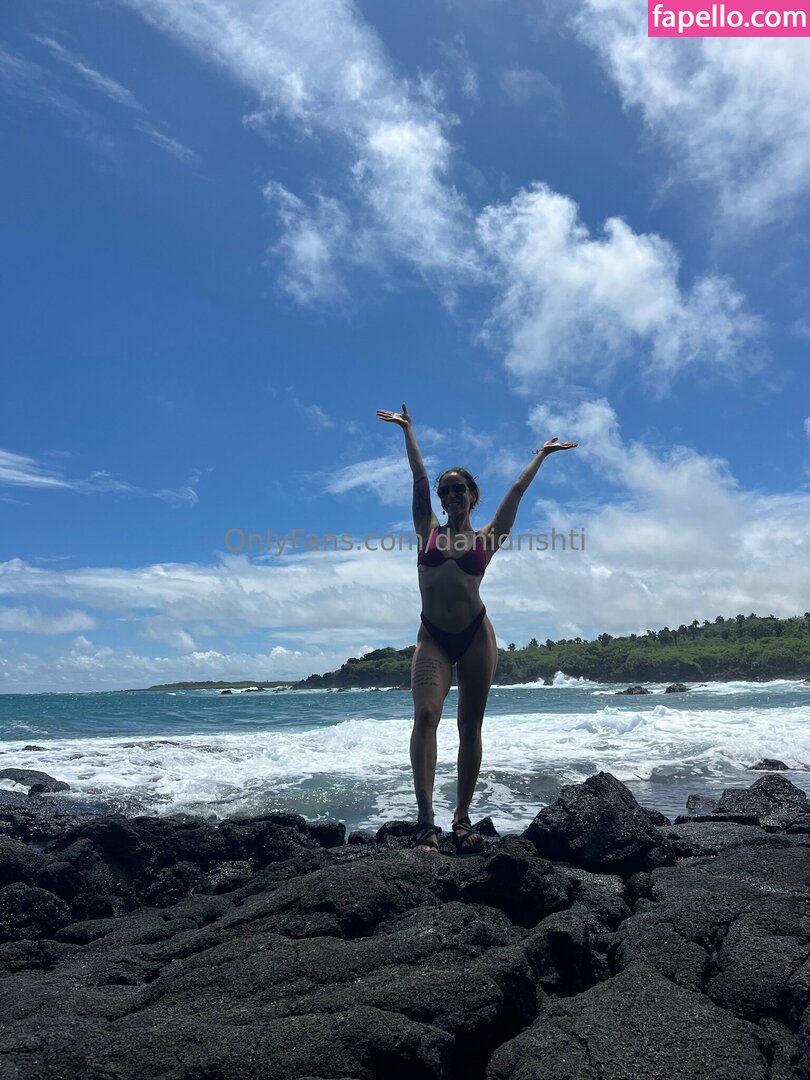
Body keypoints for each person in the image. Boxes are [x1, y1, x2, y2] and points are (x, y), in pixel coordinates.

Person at [376, 403, 576, 854]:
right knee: (426, 717)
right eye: (446, 490)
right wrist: (408, 430)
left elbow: (517, 491)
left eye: (459, 489)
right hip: (433, 638)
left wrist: (541, 455)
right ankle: (426, 821)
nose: (451, 495)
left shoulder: (487, 538)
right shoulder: (426, 529)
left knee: (470, 725)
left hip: (475, 637)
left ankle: (461, 817)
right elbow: (418, 477)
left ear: (472, 495)